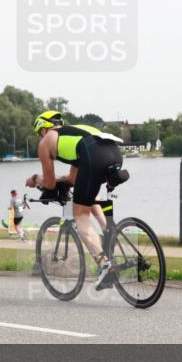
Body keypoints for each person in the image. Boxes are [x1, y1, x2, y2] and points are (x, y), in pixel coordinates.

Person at [26, 110, 125, 288]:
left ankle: (104, 265)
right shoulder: (75, 132)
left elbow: (48, 184)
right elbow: (73, 179)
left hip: (92, 156)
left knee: (79, 215)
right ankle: (110, 234)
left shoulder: (46, 142)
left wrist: (35, 179)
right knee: (88, 196)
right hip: (114, 153)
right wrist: (60, 180)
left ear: (42, 129)